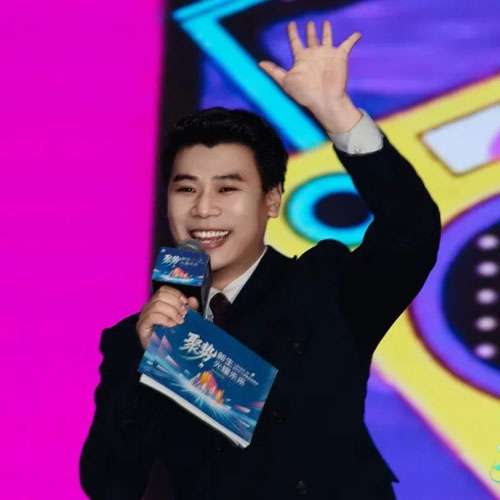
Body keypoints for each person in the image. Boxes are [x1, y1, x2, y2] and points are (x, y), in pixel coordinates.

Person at [80, 20, 441, 500]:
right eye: (186, 189)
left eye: (227, 189)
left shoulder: (324, 289)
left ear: (271, 200)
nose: (203, 209)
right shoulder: (137, 338)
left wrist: (336, 112)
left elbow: (410, 230)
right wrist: (151, 359)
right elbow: (109, 484)